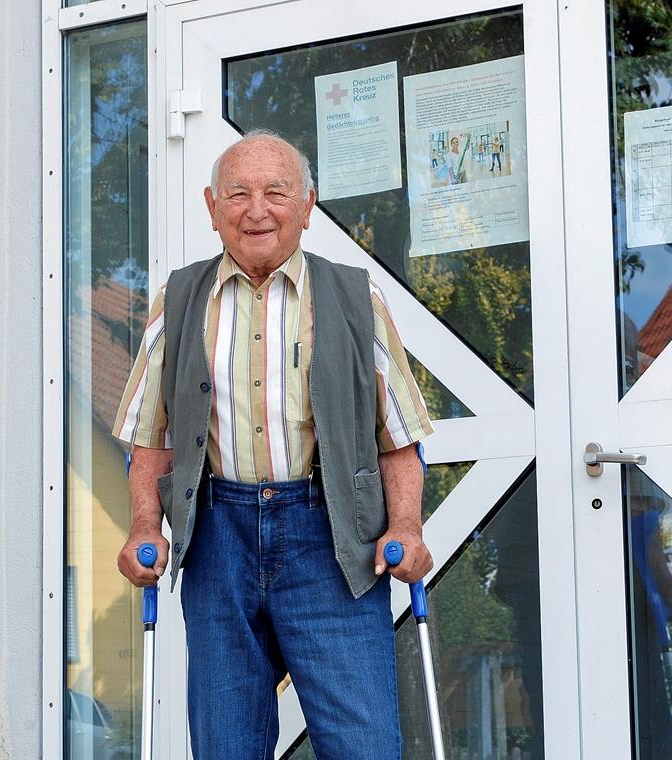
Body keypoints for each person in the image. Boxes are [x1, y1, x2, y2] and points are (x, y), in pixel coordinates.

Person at [113, 129, 434, 759]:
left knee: (361, 744)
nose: (256, 210)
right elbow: (152, 436)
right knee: (226, 743)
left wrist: (409, 527)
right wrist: (144, 526)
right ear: (211, 207)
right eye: (237, 193)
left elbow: (398, 437)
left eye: (276, 193)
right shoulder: (176, 302)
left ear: (308, 206)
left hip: (333, 541)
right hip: (217, 538)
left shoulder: (353, 298)